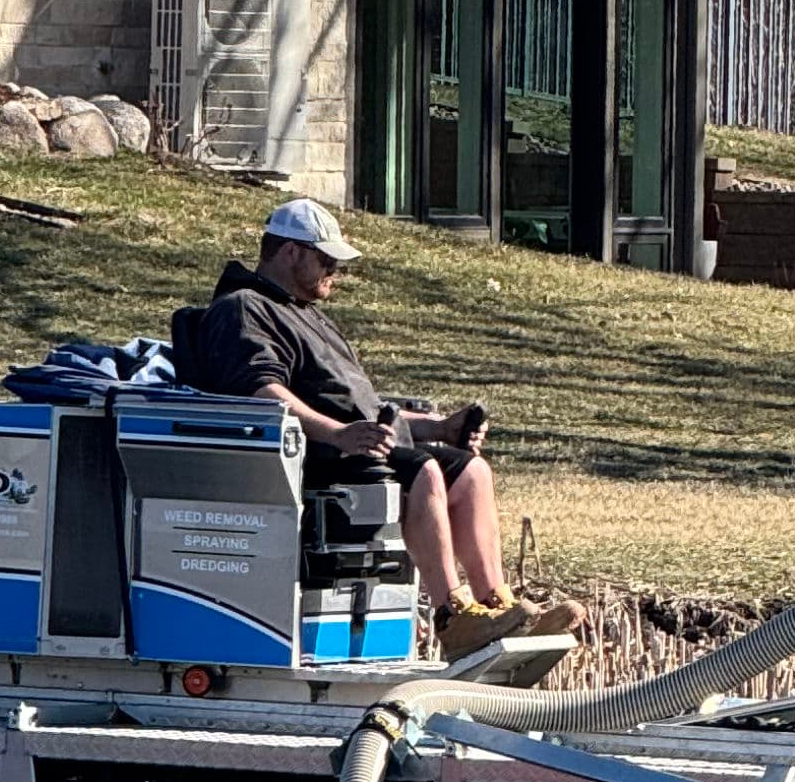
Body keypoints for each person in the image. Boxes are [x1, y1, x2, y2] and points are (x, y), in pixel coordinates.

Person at [176, 200, 578, 658]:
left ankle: (496, 606)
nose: (335, 272)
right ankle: (453, 618)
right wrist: (335, 434)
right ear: (289, 252)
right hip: (310, 457)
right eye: (326, 260)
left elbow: (363, 409)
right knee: (422, 472)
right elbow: (260, 393)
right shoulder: (245, 309)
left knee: (471, 473)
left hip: (355, 445)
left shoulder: (305, 312)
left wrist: (438, 428)